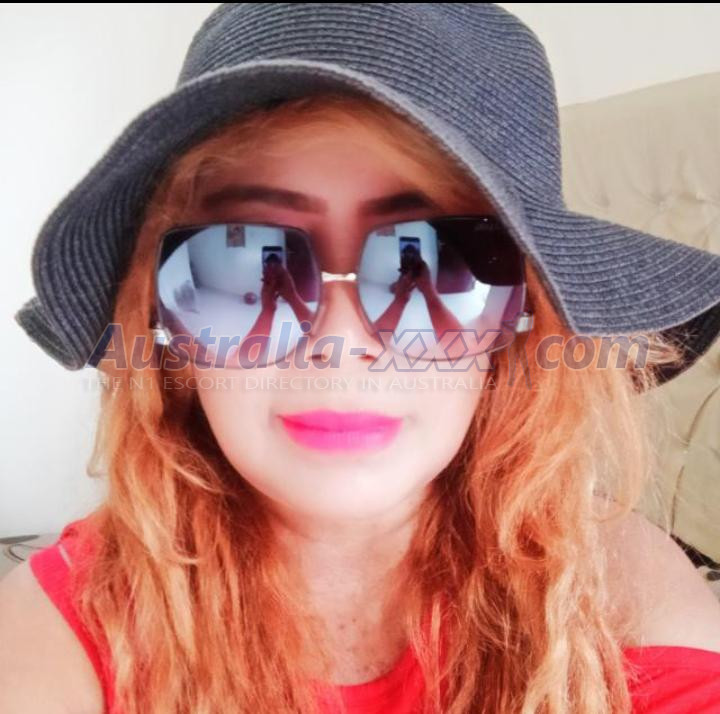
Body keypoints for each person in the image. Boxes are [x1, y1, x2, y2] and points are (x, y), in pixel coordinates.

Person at [3, 5, 720, 714]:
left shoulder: (620, 598)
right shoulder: (62, 631)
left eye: (437, 264)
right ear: (165, 322)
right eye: (243, 263)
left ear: (522, 323)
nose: (338, 346)